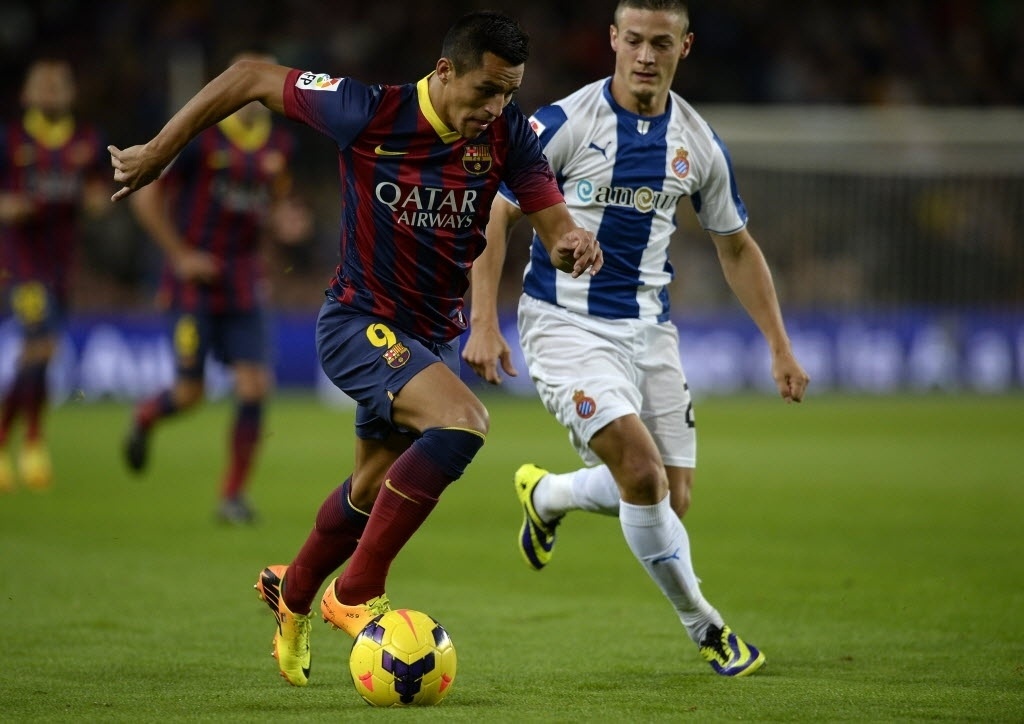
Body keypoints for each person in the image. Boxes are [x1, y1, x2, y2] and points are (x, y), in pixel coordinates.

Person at [109, 10, 602, 687]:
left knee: (370, 488)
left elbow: (549, 221)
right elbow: (251, 75)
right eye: (486, 90)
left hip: (432, 335)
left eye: (508, 93)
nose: (496, 107)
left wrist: (572, 239)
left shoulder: (507, 134)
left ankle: (299, 591)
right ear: (444, 71)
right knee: (463, 423)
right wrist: (160, 151)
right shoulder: (368, 111)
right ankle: (357, 589)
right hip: (358, 321)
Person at [463, 0, 809, 677]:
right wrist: (483, 320)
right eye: (635, 41)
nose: (647, 56)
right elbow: (493, 217)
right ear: (613, 41)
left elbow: (736, 247)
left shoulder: (698, 142)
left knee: (670, 498)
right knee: (643, 475)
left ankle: (548, 496)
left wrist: (779, 343)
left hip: (650, 331)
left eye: (662, 42)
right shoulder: (563, 122)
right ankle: (708, 629)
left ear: (686, 47)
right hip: (564, 324)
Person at [122, 50, 306, 525]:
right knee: (189, 394)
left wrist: (285, 222)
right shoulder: (201, 140)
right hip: (192, 285)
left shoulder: (279, 147)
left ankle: (232, 496)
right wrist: (180, 254)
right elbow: (145, 198)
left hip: (244, 283)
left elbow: (277, 204)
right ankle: (144, 418)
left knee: (255, 385)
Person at [0, 58, 109, 492]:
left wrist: (96, 199)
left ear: (70, 93)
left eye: (58, 85)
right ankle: (25, 440)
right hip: (20, 261)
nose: (50, 93)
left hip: (62, 263)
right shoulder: (9, 140)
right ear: (26, 94)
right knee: (41, 345)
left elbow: (100, 191)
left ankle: (24, 439)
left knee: (42, 351)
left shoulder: (86, 141)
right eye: (42, 86)